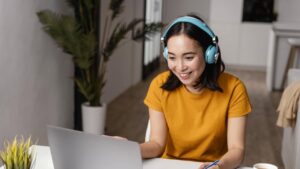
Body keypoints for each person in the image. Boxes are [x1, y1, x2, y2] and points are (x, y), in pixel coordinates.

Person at [139, 15, 252, 169]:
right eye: (172, 57)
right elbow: (157, 144)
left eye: (189, 57)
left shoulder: (234, 88)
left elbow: (237, 150)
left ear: (210, 54)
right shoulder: (159, 85)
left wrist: (219, 166)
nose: (180, 67)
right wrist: (128, 150)